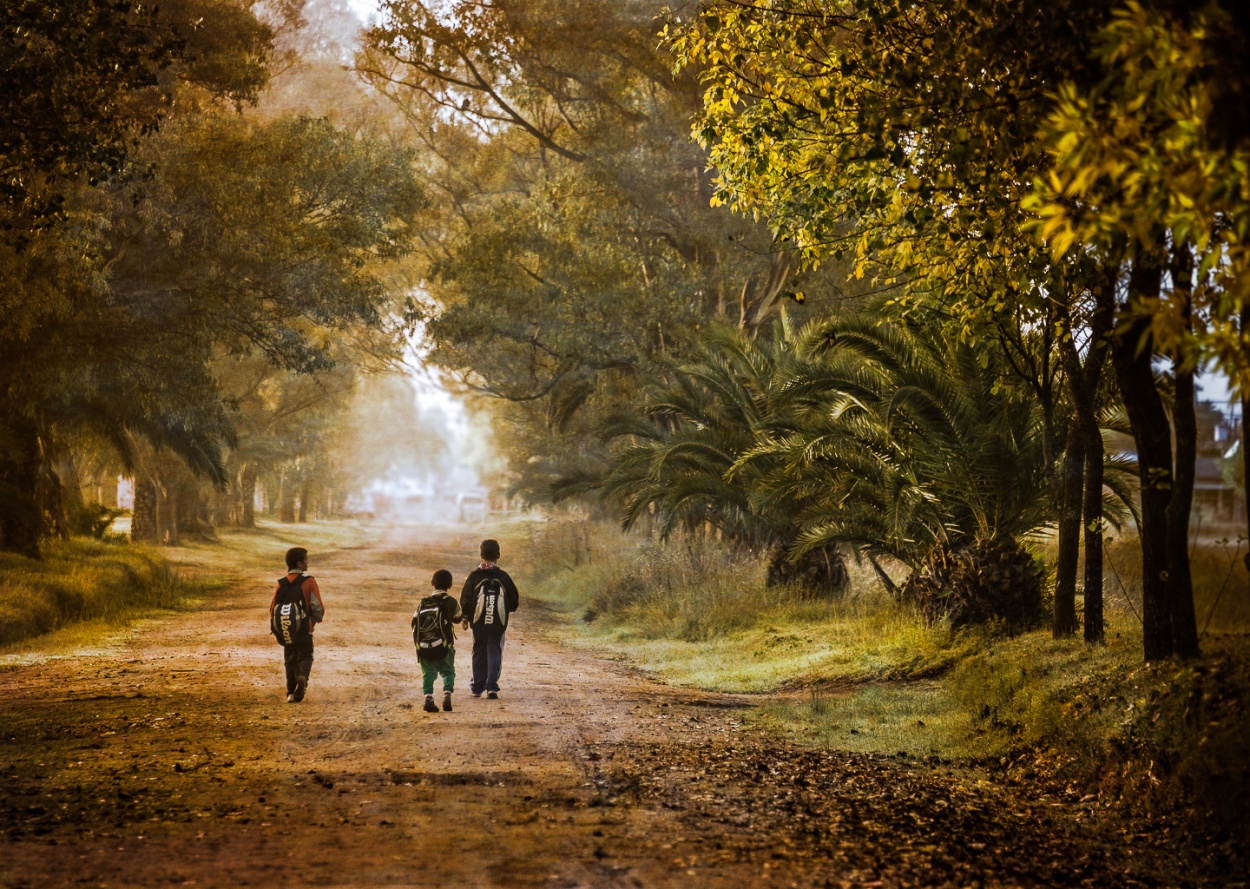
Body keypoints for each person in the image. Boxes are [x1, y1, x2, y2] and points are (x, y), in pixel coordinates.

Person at [459, 538, 519, 699]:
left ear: (481, 554)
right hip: (498, 622)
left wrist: (465, 617)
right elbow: (514, 601)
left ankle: (477, 686)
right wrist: (505, 609)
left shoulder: (474, 576)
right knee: (495, 648)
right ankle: (492, 686)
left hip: (478, 621)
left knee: (478, 649)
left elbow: (465, 598)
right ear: (498, 555)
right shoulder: (503, 576)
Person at [269, 547, 325, 703]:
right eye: (306, 560)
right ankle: (303, 677)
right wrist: (315, 620)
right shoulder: (309, 581)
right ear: (300, 563)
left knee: (289, 659)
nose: (308, 563)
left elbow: (272, 608)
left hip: (287, 628)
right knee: (306, 655)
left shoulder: (281, 583)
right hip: (304, 628)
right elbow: (317, 606)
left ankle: (290, 692)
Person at [413, 569, 462, 713]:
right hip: (445, 646)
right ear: (450, 585)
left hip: (424, 647)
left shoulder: (423, 603)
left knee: (428, 673)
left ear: (432, 583)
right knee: (448, 671)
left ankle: (428, 697)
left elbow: (414, 622)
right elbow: (458, 618)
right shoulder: (451, 601)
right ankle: (447, 695)